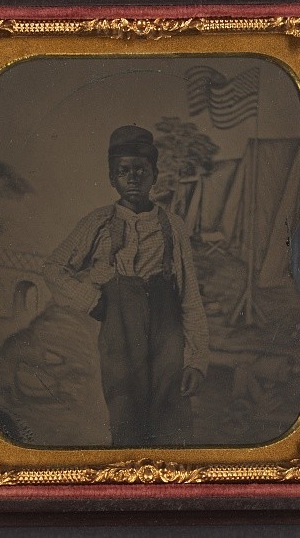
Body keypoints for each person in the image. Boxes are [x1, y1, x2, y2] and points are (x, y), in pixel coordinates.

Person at [42, 125, 209, 446]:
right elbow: (54, 268)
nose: (133, 178)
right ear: (112, 177)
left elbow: (189, 296)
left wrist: (197, 360)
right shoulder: (98, 222)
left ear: (154, 175)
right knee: (125, 410)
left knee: (172, 417)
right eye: (123, 171)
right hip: (120, 328)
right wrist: (92, 301)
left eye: (141, 170)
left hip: (167, 326)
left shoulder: (172, 226)